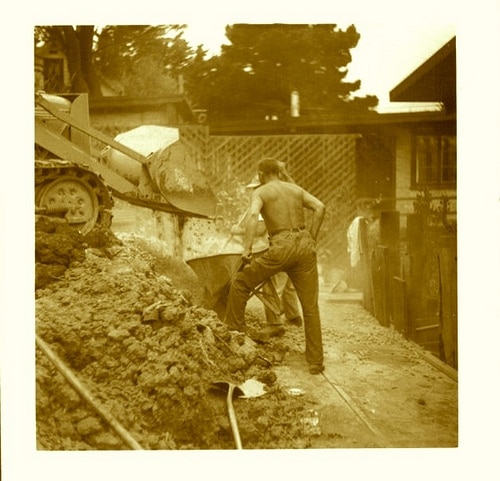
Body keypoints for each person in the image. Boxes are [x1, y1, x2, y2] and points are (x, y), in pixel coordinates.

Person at [224, 157, 326, 374]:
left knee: (240, 283)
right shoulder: (295, 189)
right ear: (279, 172)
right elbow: (320, 207)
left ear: (261, 175)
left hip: (280, 246)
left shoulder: (260, 192)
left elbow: (253, 216)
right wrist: (312, 239)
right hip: (305, 246)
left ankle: (235, 344)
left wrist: (247, 249)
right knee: (310, 307)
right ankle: (315, 362)